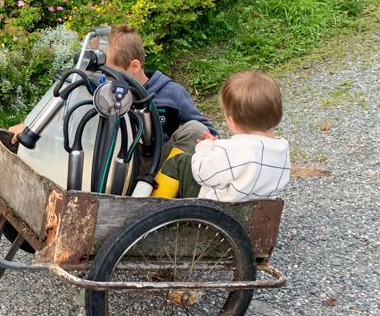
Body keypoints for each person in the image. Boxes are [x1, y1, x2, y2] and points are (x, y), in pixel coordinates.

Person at [152, 70, 291, 202]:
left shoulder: (229, 150)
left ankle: (153, 210)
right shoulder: (281, 150)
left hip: (214, 211)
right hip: (254, 212)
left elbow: (202, 174)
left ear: (232, 121)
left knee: (180, 162)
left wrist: (205, 148)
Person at [103, 24, 217, 155]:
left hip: (160, 163)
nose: (108, 80)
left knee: (196, 128)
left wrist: (211, 142)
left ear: (135, 66)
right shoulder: (105, 95)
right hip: (119, 162)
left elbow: (208, 132)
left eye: (111, 74)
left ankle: (165, 176)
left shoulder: (172, 92)